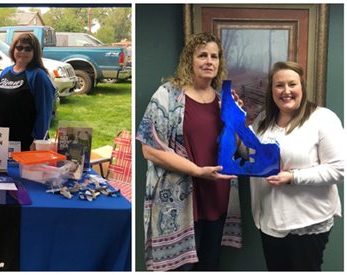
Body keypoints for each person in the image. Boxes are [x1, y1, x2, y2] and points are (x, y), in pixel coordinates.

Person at [136, 32, 242, 271]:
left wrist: (236, 118)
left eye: (214, 56)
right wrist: (197, 171)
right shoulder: (167, 95)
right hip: (178, 202)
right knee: (181, 268)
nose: (209, 61)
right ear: (189, 60)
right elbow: (149, 150)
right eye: (202, 55)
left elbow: (232, 147)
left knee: (211, 264)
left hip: (217, 195)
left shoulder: (222, 100)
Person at [248, 61, 344, 271]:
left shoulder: (323, 119)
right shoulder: (264, 121)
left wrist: (293, 177)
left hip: (307, 223)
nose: (286, 91)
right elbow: (248, 153)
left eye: (292, 84)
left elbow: (339, 170)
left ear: (302, 86)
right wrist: (233, 121)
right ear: (271, 90)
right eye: (279, 85)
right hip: (270, 221)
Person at [0, 33, 55, 151]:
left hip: (26, 141)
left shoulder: (38, 75)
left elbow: (44, 111)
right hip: (2, 138)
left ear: (34, 52)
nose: (23, 52)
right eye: (19, 48)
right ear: (13, 50)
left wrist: (38, 139)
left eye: (28, 49)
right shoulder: (6, 72)